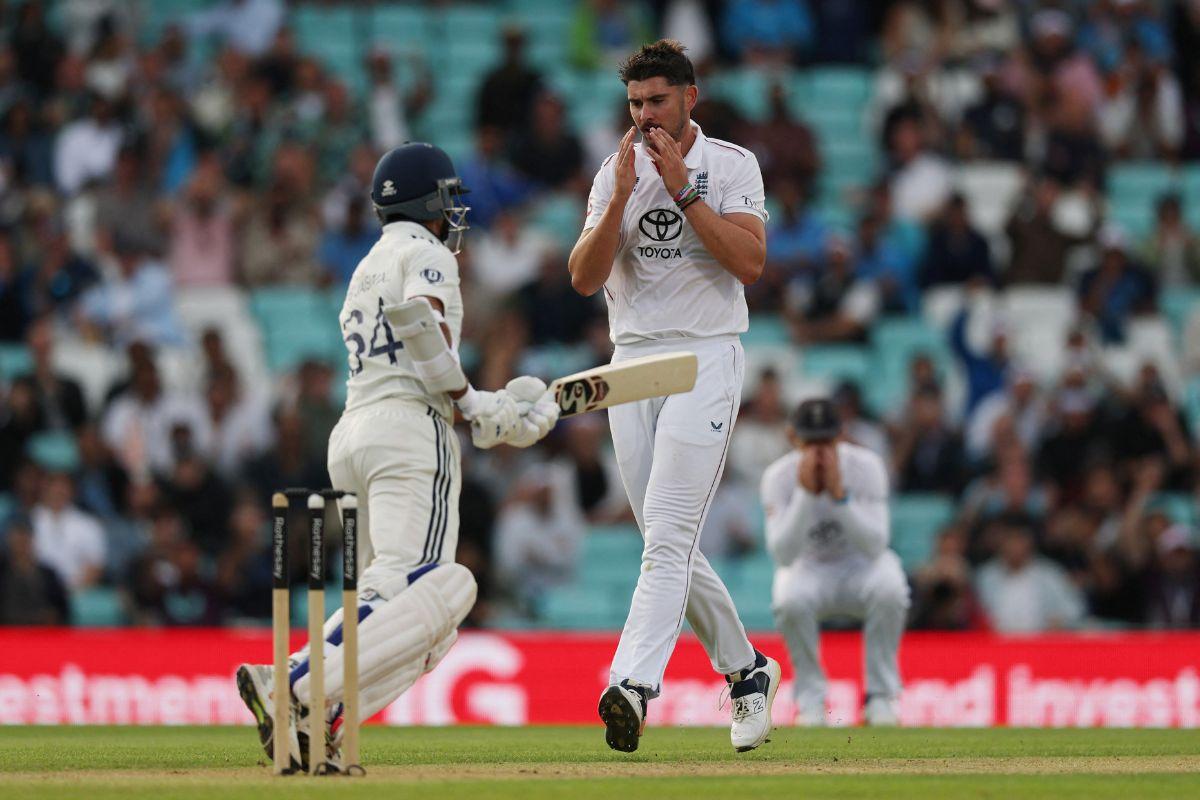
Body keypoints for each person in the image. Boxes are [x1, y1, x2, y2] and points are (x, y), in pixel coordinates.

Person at [236, 143, 560, 771]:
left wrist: (489, 407)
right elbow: (420, 325)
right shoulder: (427, 252)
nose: (453, 215)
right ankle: (294, 678)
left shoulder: (366, 264)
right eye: (447, 202)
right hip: (411, 432)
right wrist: (471, 403)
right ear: (428, 204)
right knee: (445, 584)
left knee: (424, 625)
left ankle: (316, 718)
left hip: (353, 432)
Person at [567, 40, 778, 754]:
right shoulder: (613, 172)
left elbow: (749, 262)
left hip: (705, 354)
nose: (644, 116)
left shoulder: (732, 165)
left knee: (665, 531)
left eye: (657, 101)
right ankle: (748, 674)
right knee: (667, 538)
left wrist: (683, 188)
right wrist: (624, 195)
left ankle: (630, 684)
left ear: (692, 97)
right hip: (632, 362)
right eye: (634, 104)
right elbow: (583, 278)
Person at [761, 398, 910, 727]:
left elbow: (875, 545)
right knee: (788, 599)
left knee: (891, 588)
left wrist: (840, 496)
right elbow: (783, 555)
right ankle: (811, 699)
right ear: (792, 438)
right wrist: (804, 493)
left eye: (826, 441)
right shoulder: (778, 477)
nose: (819, 452)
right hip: (809, 567)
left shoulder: (867, 466)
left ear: (841, 435)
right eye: (810, 442)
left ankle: (881, 696)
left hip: (861, 565)